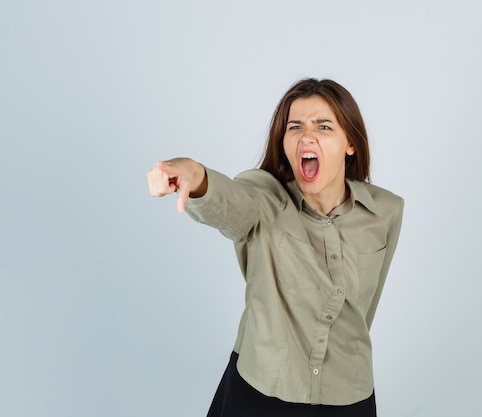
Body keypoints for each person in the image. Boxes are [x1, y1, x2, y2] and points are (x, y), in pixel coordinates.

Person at [147, 78, 403, 416]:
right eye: (294, 127)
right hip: (260, 392)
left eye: (323, 126)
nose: (306, 136)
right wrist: (193, 175)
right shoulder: (264, 198)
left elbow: (363, 310)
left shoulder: (385, 211)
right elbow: (231, 201)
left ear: (350, 143)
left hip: (349, 396)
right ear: (283, 142)